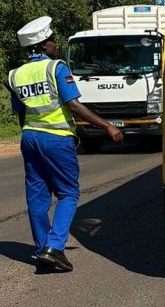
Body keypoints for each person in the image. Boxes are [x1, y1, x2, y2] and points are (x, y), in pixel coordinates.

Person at [7, 16, 124, 272]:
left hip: (30, 137)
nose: (56, 45)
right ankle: (54, 247)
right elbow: (73, 105)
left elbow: (20, 113)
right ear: (44, 45)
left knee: (37, 197)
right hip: (57, 138)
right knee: (68, 193)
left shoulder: (15, 74)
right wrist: (107, 125)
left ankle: (41, 250)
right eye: (52, 41)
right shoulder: (56, 67)